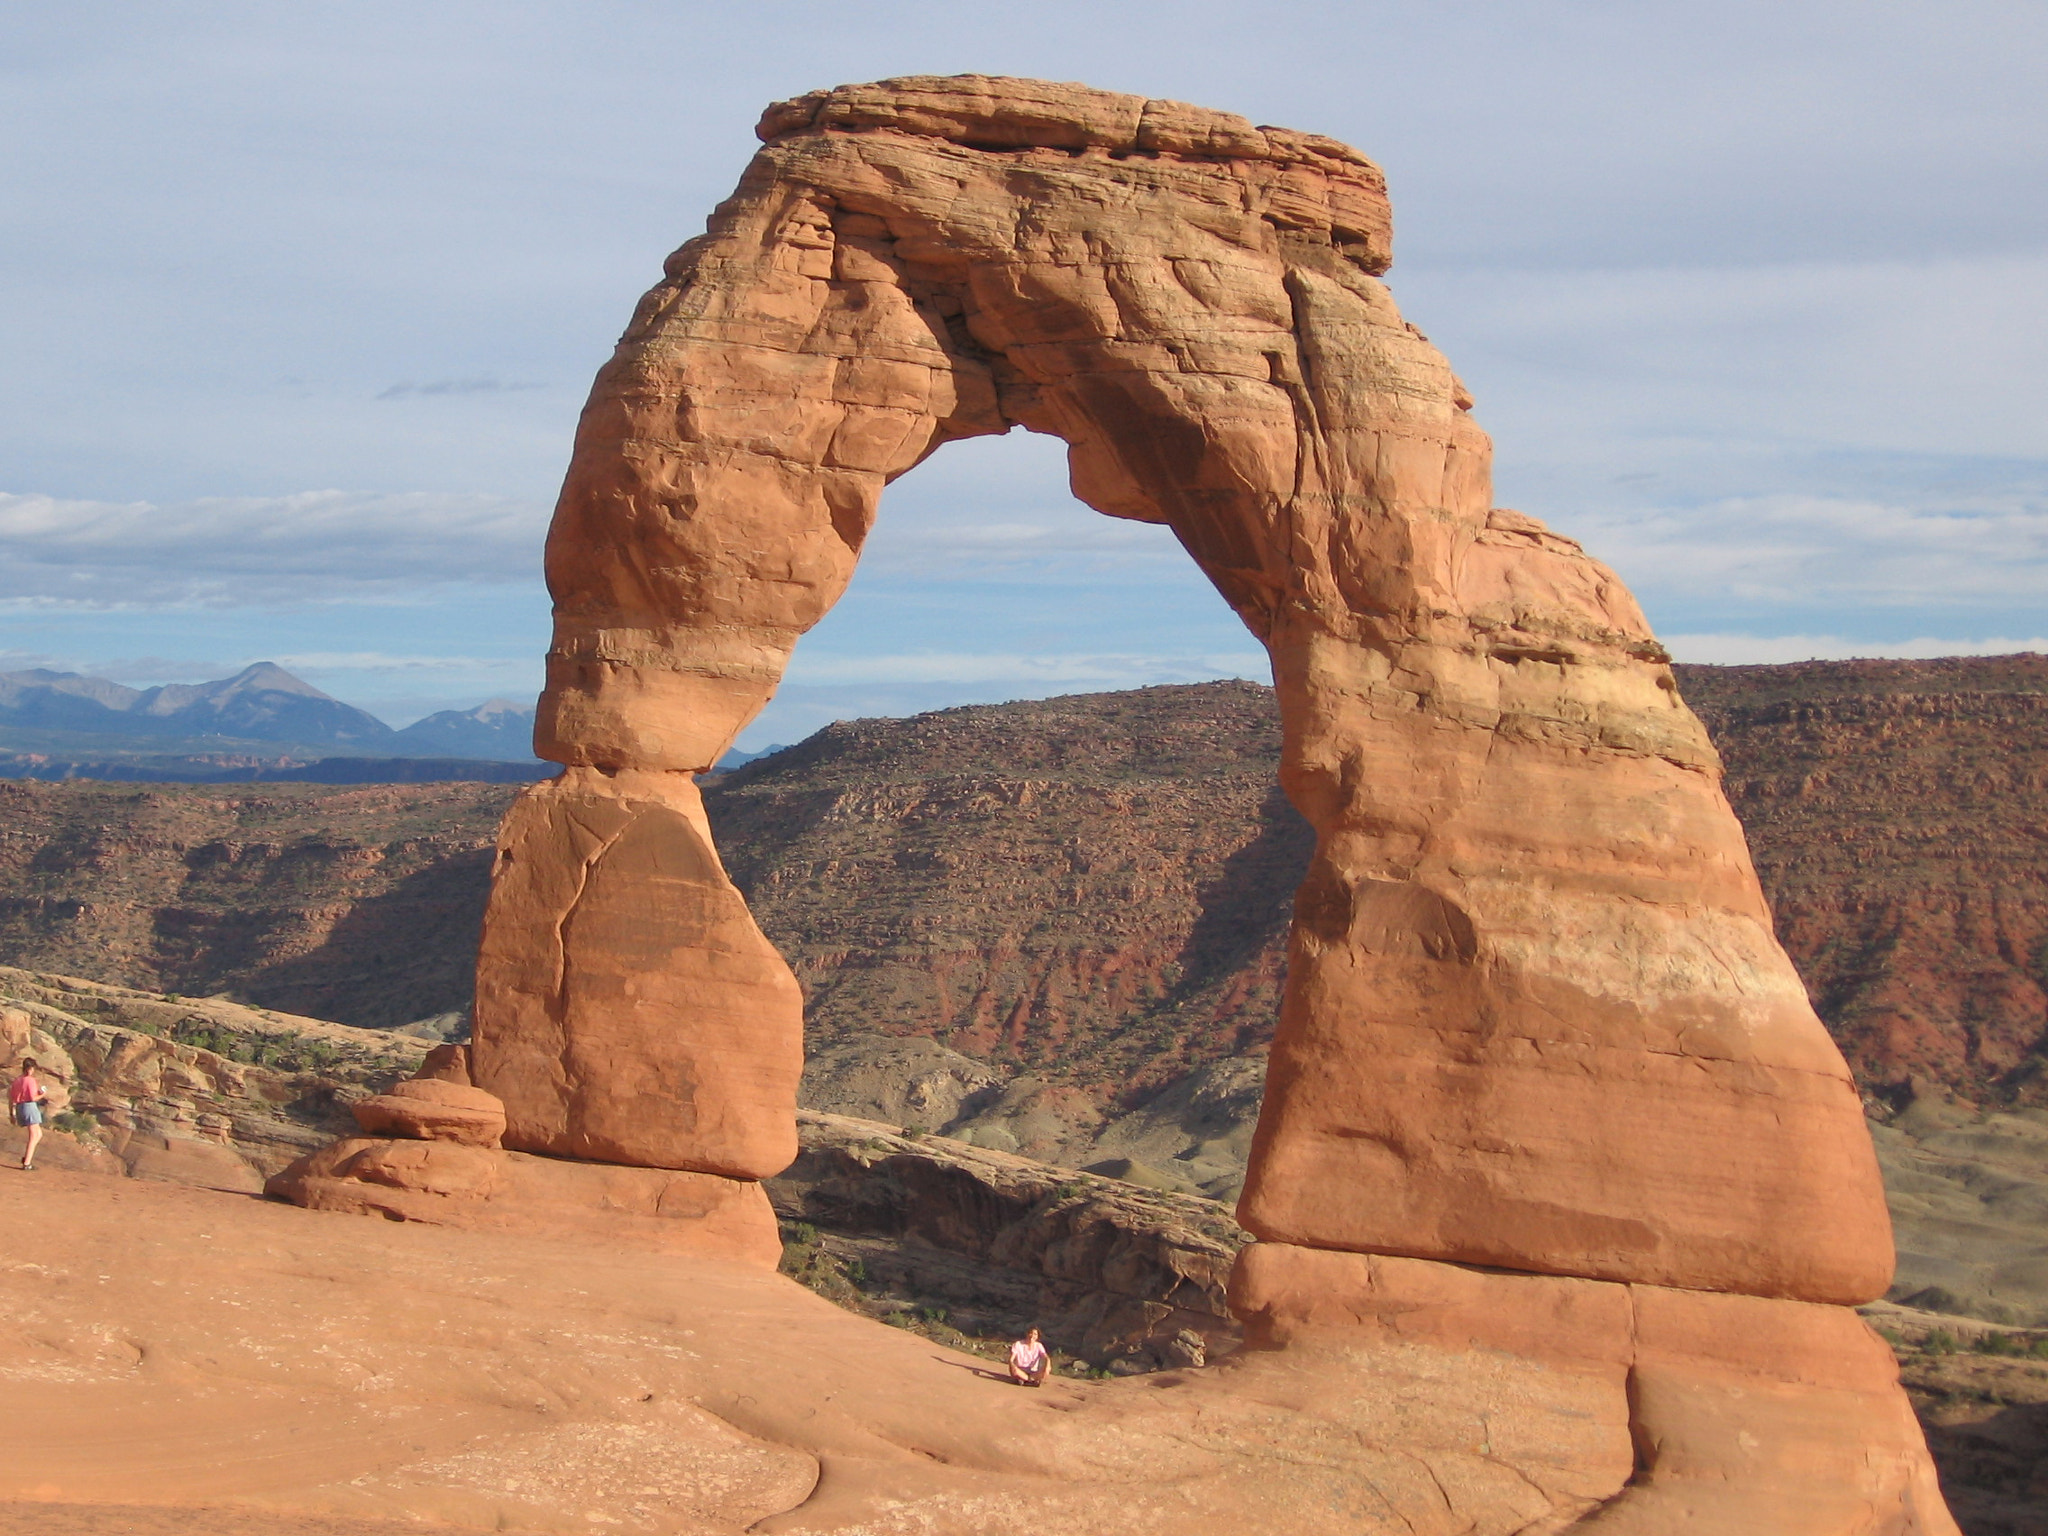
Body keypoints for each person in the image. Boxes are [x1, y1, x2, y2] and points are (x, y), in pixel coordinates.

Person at [10, 1057, 45, 1171]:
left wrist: (12, 1114)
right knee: (34, 1135)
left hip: (20, 1107)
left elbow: (11, 1098)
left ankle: (27, 1157)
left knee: (38, 1134)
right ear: (30, 1068)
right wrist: (43, 1094)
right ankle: (27, 1163)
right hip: (29, 1107)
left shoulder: (17, 1080)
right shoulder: (30, 1080)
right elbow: (33, 1098)